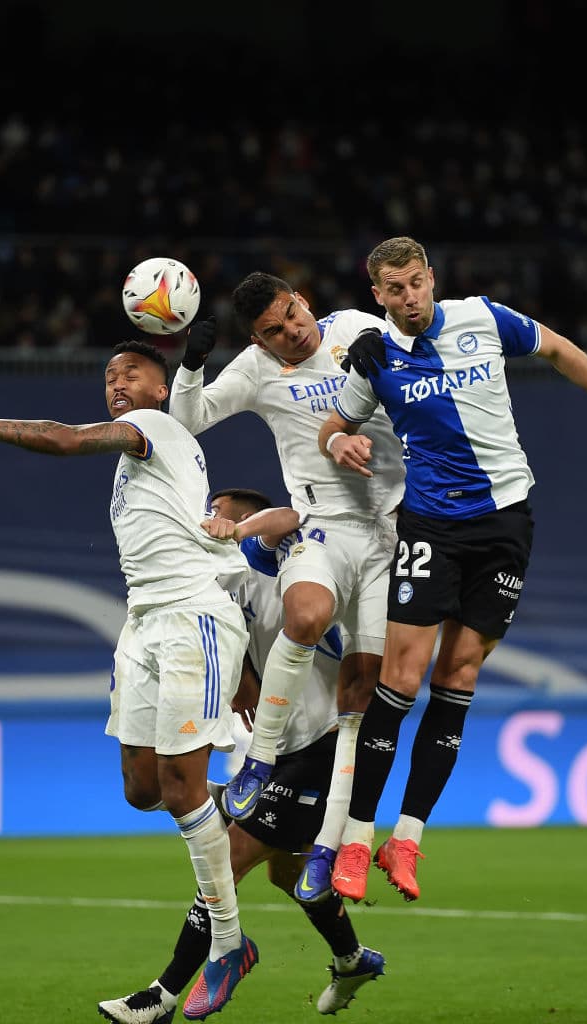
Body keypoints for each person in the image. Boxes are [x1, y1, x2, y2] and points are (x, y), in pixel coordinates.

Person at [318, 235, 587, 904]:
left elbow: (560, 350)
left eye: (414, 283)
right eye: (392, 290)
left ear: (430, 277)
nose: (407, 298)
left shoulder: (483, 319)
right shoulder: (372, 358)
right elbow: (331, 427)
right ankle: (352, 841)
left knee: (456, 676)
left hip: (504, 525)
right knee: (399, 681)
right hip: (430, 526)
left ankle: (405, 841)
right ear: (376, 296)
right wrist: (340, 437)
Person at [0, 340, 260, 1020]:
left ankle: (228, 943)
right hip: (145, 626)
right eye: (108, 375)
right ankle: (229, 802)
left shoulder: (157, 428)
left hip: (192, 621)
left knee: (182, 790)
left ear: (161, 392)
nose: (117, 382)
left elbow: (65, 441)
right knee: (142, 789)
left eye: (131, 372)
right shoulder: (138, 465)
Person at [98, 487, 385, 1024]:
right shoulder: (220, 580)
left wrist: (244, 530)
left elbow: (288, 517)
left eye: (216, 512)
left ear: (246, 524)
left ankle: (162, 995)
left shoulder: (291, 560)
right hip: (278, 749)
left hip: (323, 742)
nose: (205, 520)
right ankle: (351, 959)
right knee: (286, 875)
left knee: (227, 860)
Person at [167, 273, 405, 902]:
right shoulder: (253, 369)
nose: (293, 332)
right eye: (274, 330)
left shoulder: (359, 329)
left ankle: (332, 847)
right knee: (303, 617)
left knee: (364, 697)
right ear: (257, 338)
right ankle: (260, 759)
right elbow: (187, 418)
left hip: (392, 534)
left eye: (293, 314)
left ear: (303, 297)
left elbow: (422, 364)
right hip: (320, 525)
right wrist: (191, 364)